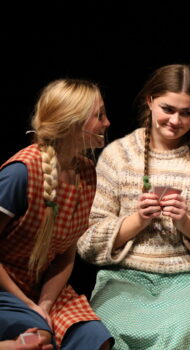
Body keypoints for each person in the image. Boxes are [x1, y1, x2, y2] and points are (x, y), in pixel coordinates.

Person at [77, 64, 190, 349]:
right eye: (168, 109)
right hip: (124, 278)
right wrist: (136, 220)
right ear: (150, 101)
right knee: (105, 330)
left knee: (186, 328)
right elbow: (87, 240)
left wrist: (188, 223)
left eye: (186, 112)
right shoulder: (119, 155)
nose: (176, 120)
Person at [0, 79, 114, 350]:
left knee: (95, 339)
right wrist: (28, 305)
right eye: (98, 116)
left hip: (42, 290)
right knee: (37, 339)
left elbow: (66, 253)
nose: (107, 123)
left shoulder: (85, 172)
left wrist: (45, 303)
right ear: (73, 125)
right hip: (5, 289)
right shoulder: (21, 173)